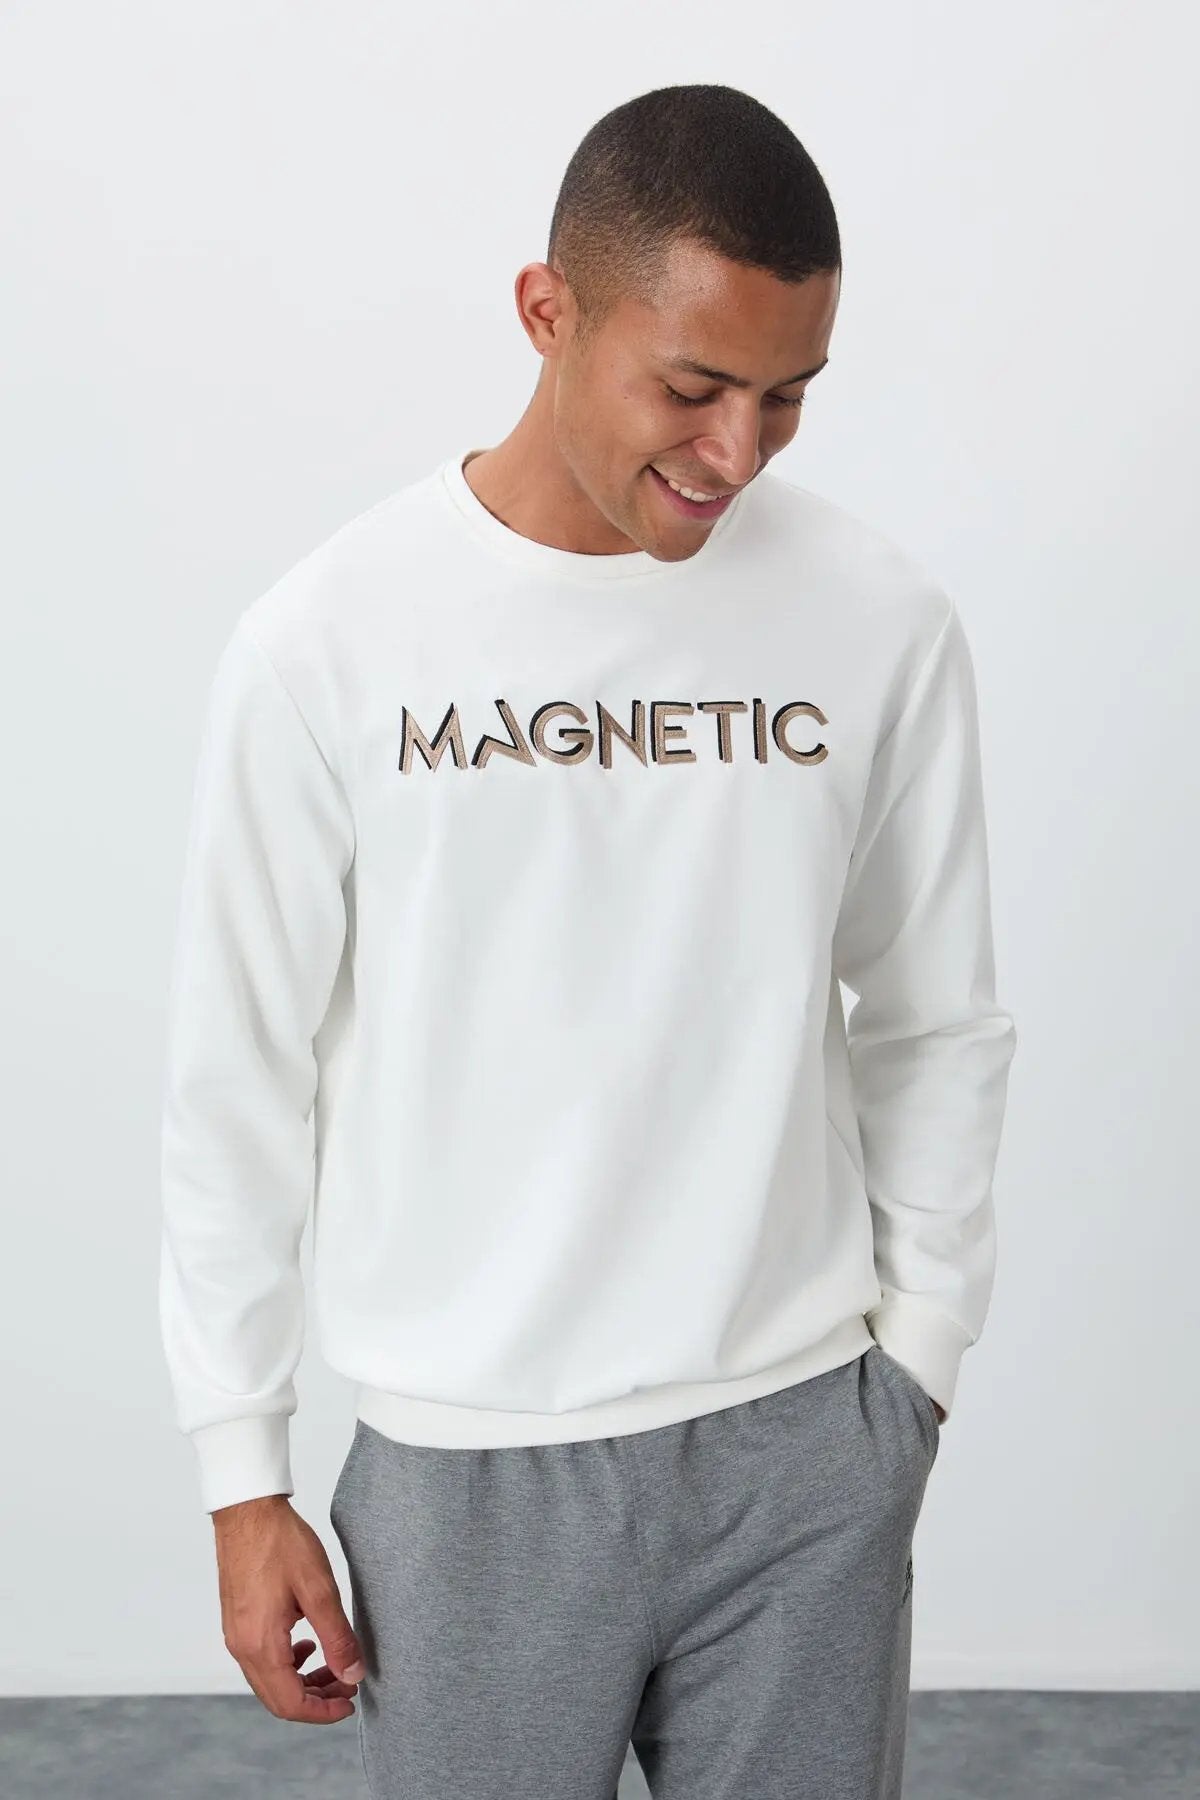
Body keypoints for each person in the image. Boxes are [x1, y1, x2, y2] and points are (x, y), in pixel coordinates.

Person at [159, 81, 1017, 1799]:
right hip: (469, 1473)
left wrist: (916, 1370)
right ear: (548, 311)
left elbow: (936, 1016)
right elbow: (237, 1077)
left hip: (805, 1448)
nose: (737, 454)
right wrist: (242, 1471)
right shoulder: (327, 645)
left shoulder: (879, 620)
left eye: (788, 396)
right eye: (693, 389)